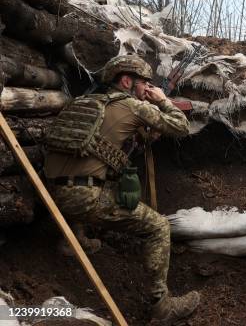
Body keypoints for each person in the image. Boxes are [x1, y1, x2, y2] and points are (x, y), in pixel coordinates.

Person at [44, 55, 200, 323]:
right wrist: (162, 100)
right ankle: (162, 306)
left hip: (52, 195)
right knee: (159, 227)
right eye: (144, 84)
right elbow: (181, 126)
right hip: (84, 199)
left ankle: (74, 239)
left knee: (99, 178)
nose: (147, 89)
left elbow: (105, 147)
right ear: (127, 81)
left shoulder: (85, 103)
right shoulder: (132, 106)